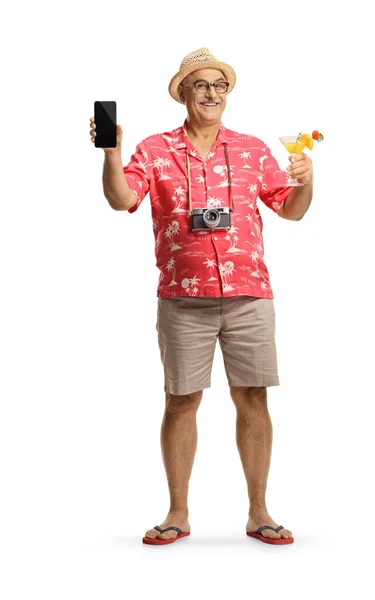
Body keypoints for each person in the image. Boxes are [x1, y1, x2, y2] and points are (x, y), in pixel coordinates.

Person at [89, 48, 314, 546]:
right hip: (181, 298)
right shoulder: (153, 150)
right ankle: (178, 512)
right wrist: (111, 153)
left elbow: (292, 211)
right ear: (183, 92)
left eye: (220, 86)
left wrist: (308, 182)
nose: (212, 94)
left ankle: (259, 511)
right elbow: (121, 198)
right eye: (201, 85)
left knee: (253, 399)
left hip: (249, 294)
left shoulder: (254, 149)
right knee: (181, 401)